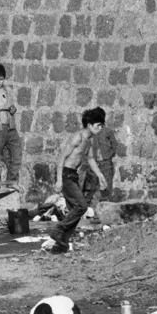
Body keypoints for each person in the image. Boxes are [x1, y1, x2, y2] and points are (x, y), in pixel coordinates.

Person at [50, 108, 107, 254]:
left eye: (101, 126)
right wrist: (58, 180)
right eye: (97, 125)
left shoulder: (89, 141)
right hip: (66, 175)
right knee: (81, 207)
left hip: (73, 175)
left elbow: (90, 159)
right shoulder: (78, 137)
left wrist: (100, 175)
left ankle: (61, 245)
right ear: (89, 124)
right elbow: (61, 158)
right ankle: (58, 229)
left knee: (73, 213)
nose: (100, 129)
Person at [83, 107, 119, 207]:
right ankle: (86, 209)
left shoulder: (108, 131)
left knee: (106, 188)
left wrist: (109, 155)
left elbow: (114, 145)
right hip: (94, 163)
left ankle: (106, 209)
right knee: (91, 187)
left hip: (106, 164)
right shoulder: (92, 132)